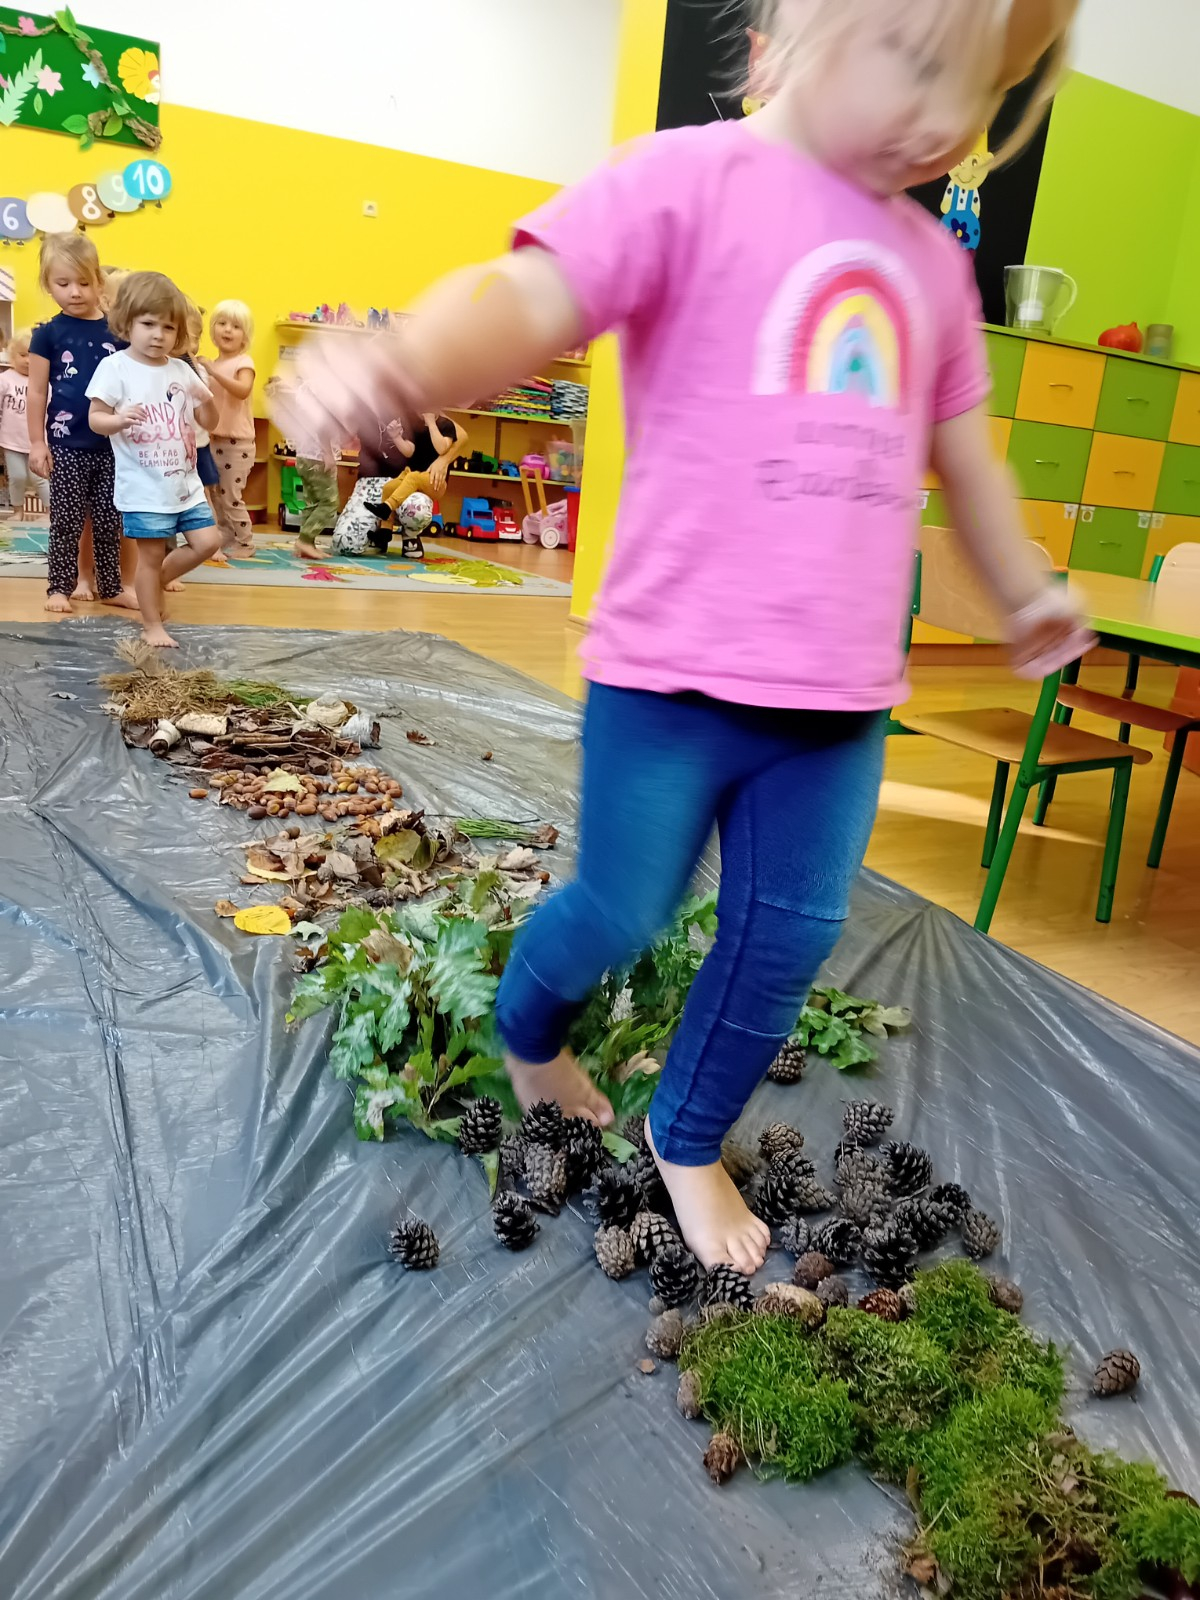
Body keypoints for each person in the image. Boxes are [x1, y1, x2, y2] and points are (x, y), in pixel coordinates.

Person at [274, 0, 1089, 1274]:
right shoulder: (686, 181)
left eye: (985, 93)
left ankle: (687, 1133)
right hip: (670, 682)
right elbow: (529, 296)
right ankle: (530, 1032)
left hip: (836, 703)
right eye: (921, 62)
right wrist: (406, 365)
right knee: (624, 907)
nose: (947, 120)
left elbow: (966, 458)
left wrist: (1022, 582)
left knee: (792, 934)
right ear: (804, 24)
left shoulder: (931, 267)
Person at [87, 271, 222, 648]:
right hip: (144, 488)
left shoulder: (180, 370)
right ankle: (151, 625)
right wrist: (118, 419)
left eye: (168, 327)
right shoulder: (116, 368)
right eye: (148, 324)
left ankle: (156, 580)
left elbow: (209, 421)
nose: (158, 335)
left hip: (185, 484)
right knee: (148, 557)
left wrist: (209, 401)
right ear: (127, 322)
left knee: (208, 542)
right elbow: (95, 419)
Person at [28, 232, 137, 614]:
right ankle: (60, 587)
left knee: (109, 521)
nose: (74, 292)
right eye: (63, 283)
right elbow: (36, 392)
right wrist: (37, 443)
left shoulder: (117, 333)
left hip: (113, 445)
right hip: (66, 445)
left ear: (99, 282)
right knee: (67, 522)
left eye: (84, 283)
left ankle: (112, 587)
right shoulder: (46, 334)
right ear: (48, 284)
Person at [199, 299, 257, 558]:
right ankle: (225, 537)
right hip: (214, 439)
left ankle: (246, 543)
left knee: (231, 496)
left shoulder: (244, 363)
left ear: (245, 335)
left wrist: (213, 372)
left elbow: (243, 390)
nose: (227, 330)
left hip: (238, 443)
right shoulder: (213, 364)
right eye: (221, 323)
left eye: (236, 326)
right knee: (217, 496)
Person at [363, 411, 466, 550]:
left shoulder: (445, 424)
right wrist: (396, 437)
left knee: (413, 477)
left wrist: (431, 423)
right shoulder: (415, 425)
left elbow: (442, 449)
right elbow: (409, 451)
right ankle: (385, 531)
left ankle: (387, 507)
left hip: (434, 481)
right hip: (413, 475)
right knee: (389, 487)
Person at [0, 331, 49, 517]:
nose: (28, 361)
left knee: (41, 479)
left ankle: (51, 512)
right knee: (17, 477)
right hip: (11, 441)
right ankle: (18, 510)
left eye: (32, 355)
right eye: (22, 355)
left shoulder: (44, 381)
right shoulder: (5, 379)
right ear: (12, 356)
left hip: (38, 442)